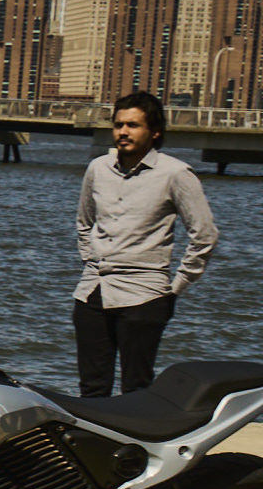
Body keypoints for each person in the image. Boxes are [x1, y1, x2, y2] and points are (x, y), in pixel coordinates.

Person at [72, 92, 219, 397]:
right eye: (118, 125)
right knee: (91, 389)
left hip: (144, 297)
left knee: (136, 390)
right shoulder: (97, 169)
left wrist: (174, 288)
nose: (123, 132)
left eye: (132, 125)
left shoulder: (176, 174)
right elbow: (84, 223)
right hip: (91, 294)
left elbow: (204, 235)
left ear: (154, 132)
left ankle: (134, 445)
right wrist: (91, 260)